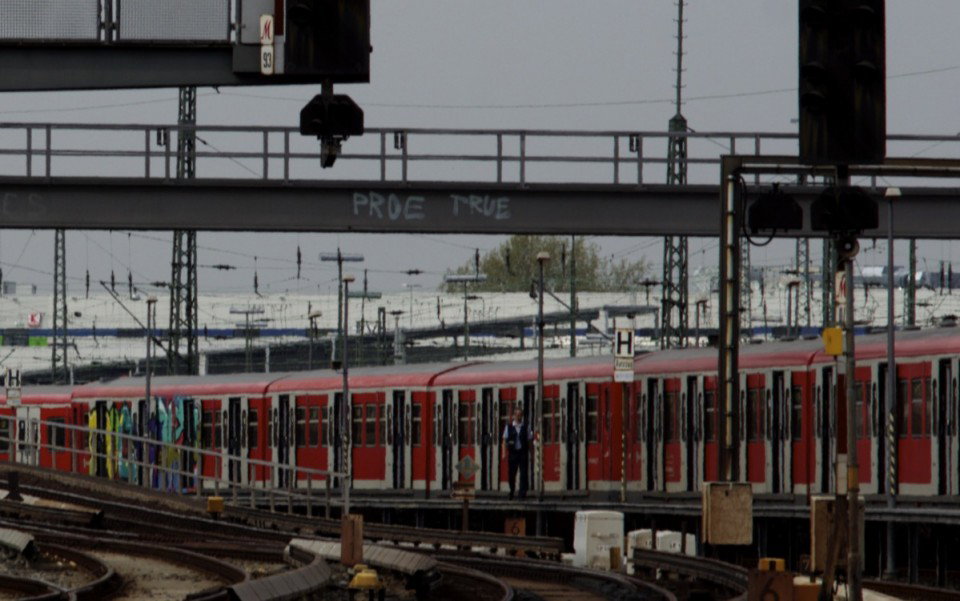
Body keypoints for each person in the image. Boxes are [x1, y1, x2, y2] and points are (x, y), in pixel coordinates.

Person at [501, 407, 533, 500]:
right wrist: (504, 453)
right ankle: (512, 491)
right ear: (514, 416)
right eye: (517, 415)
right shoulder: (509, 427)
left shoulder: (526, 427)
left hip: (522, 452)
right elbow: (504, 441)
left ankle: (522, 493)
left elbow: (530, 441)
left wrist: (532, 454)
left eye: (520, 415)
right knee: (512, 473)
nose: (519, 417)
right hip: (513, 453)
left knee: (523, 473)